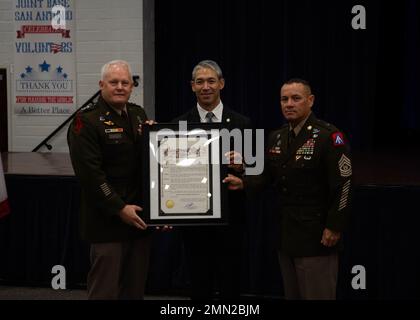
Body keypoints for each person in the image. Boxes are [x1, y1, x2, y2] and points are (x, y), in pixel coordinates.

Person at [224, 78, 352, 300]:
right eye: (284, 99)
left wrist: (334, 226)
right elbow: (269, 176)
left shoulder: (329, 137)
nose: (289, 104)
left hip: (316, 237)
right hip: (286, 235)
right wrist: (244, 181)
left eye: (296, 98)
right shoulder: (278, 136)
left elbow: (344, 185)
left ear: (310, 101)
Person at [67, 60, 152, 299]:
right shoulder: (86, 122)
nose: (120, 87)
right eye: (113, 82)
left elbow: (147, 164)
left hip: (139, 220)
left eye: (125, 82)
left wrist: (159, 210)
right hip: (106, 222)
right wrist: (119, 208)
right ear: (101, 85)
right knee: (105, 291)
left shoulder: (137, 114)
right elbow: (91, 176)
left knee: (134, 291)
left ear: (132, 86)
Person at [172, 60, 252, 299]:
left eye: (211, 81)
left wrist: (244, 168)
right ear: (192, 87)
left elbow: (257, 172)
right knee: (198, 284)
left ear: (221, 84)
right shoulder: (177, 125)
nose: (205, 86)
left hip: (231, 220)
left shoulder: (242, 123)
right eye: (200, 82)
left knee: (231, 284)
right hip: (194, 221)